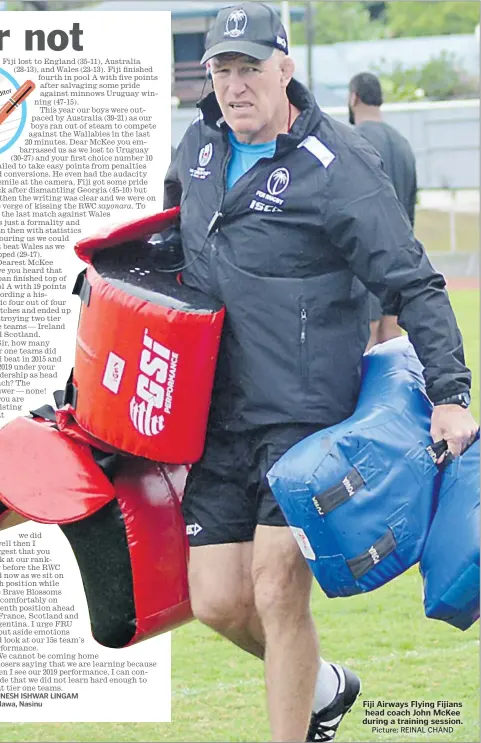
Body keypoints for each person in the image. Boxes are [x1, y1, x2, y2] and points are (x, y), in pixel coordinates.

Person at [163, 4, 477, 741]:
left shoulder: (334, 166)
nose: (235, 86)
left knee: (275, 589)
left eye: (249, 69)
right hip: (217, 413)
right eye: (222, 70)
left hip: (305, 416)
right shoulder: (197, 148)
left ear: (285, 68)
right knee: (214, 600)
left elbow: (413, 281)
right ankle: (325, 685)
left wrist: (451, 395)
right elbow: (163, 256)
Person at [348, 71, 418, 349]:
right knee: (392, 341)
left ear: (354, 98)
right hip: (400, 259)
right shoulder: (404, 145)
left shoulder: (352, 142)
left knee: (365, 344)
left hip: (365, 260)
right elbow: (411, 204)